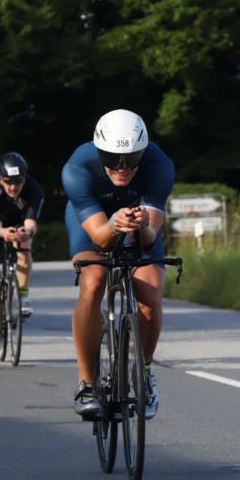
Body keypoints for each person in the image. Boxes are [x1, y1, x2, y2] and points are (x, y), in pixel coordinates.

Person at [62, 109, 175, 420]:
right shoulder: (77, 167)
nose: (122, 166)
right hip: (95, 220)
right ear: (100, 152)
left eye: (131, 157)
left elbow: (148, 240)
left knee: (150, 297)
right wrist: (114, 224)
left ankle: (144, 373)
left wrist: (140, 225)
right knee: (93, 282)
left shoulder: (159, 166)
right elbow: (100, 236)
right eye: (112, 158)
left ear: (143, 152)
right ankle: (87, 383)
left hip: (139, 222)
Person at [0, 152, 44, 339]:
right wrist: (4, 233)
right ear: (1, 178)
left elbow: (31, 223)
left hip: (18, 224)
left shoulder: (34, 189)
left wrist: (27, 232)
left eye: (18, 182)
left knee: (25, 245)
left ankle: (22, 295)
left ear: (25, 178)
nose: (13, 187)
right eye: (8, 182)